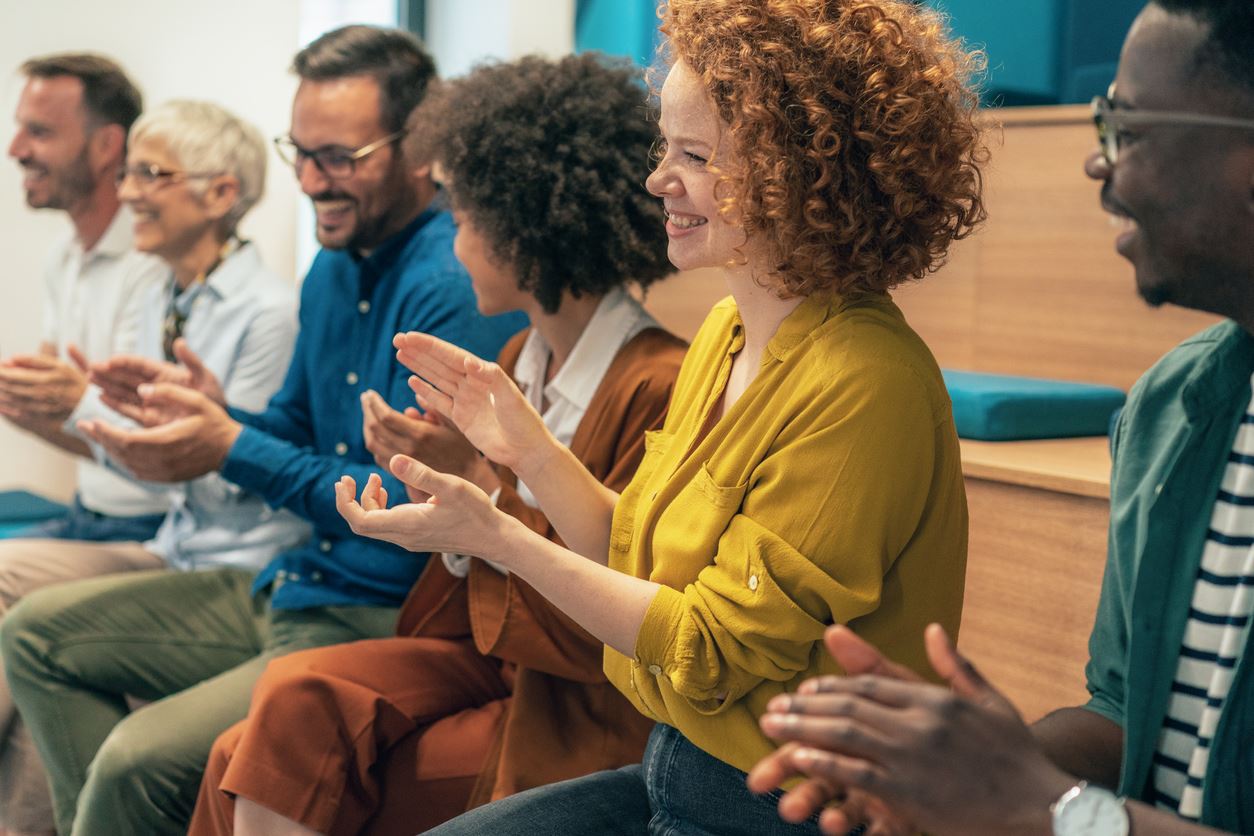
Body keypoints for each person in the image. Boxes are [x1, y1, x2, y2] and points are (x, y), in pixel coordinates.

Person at [337, 1, 986, 832]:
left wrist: (497, 538)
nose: (657, 180)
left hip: (789, 810)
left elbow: (706, 649)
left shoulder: (866, 380)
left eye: (694, 155)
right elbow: (640, 554)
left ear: (799, 172)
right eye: (663, 148)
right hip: (680, 765)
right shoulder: (724, 332)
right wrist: (527, 451)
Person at [0, 26, 524, 836]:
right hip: (294, 581)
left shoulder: (452, 283)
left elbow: (410, 505)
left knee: (134, 759)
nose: (313, 181)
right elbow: (293, 428)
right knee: (34, 634)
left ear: (422, 151)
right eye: (300, 152)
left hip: (381, 609)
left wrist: (229, 443)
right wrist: (211, 415)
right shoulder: (332, 267)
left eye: (340, 157)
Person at [747, 1, 1254, 835]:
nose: (1099, 162)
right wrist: (947, 764)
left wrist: (1046, 808)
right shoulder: (1173, 407)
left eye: (1125, 126)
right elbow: (1126, 714)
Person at [186, 53, 687, 836]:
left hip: (578, 694)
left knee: (261, 749)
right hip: (497, 653)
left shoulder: (655, 383)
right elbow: (492, 557)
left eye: (463, 222)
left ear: (526, 229)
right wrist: (456, 477)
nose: (451, 248)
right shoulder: (523, 358)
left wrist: (480, 500)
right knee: (266, 722)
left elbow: (609, 611)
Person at [0, 98, 308, 836]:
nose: (129, 190)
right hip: (172, 546)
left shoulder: (270, 312)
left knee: (26, 614)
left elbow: (240, 475)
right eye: (131, 170)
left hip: (235, 563)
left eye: (150, 173)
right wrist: (66, 414)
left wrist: (80, 411)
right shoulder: (167, 295)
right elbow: (158, 462)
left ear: (221, 193)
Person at [0, 53, 166, 541]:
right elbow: (46, 397)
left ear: (106, 146)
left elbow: (148, 445)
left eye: (40, 132)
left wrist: (60, 401)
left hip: (150, 526)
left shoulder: (154, 265)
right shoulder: (64, 256)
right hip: (87, 511)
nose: (16, 149)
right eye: (20, 129)